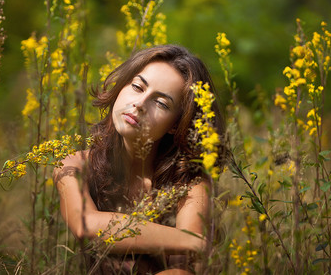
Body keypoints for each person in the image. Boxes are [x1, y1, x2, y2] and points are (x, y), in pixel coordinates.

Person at [54, 45, 225, 274]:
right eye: (137, 86)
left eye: (162, 103)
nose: (140, 104)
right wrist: (195, 241)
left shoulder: (190, 183)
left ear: (176, 124)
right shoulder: (73, 166)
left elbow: (187, 267)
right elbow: (85, 225)